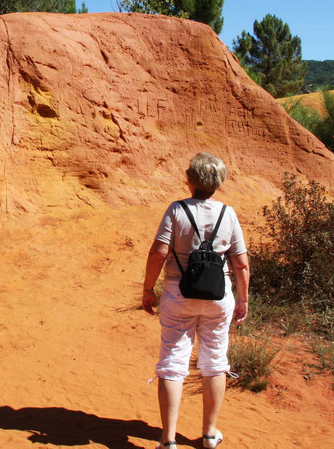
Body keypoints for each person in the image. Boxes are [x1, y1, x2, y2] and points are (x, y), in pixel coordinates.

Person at [141, 152, 250, 449]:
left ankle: (168, 439)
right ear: (219, 182)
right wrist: (242, 299)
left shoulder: (176, 211)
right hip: (218, 297)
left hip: (178, 292)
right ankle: (210, 434)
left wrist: (148, 289)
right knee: (215, 363)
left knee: (173, 363)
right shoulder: (228, 214)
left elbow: (158, 253)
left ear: (189, 180)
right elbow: (240, 264)